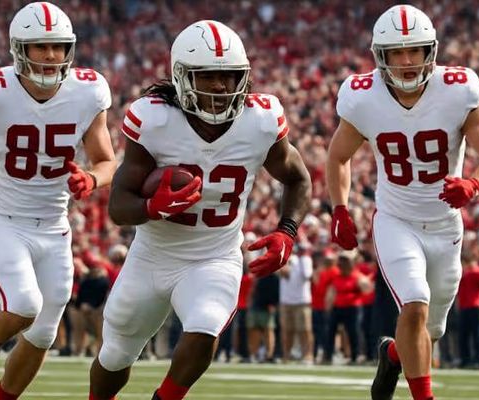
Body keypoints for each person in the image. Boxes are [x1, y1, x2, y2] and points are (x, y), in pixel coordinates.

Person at [88, 20, 312, 400]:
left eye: (230, 76)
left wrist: (287, 230)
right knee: (115, 353)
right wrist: (150, 206)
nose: (222, 87)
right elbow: (119, 206)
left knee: (207, 324)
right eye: (208, 76)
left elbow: (298, 178)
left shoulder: (260, 121)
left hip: (215, 255)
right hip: (152, 255)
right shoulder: (155, 120)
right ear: (182, 77)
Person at [0, 2, 116, 399]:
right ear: (20, 49)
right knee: (23, 304)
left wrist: (91, 178)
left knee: (44, 333)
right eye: (40, 47)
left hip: (55, 226)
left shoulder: (87, 92)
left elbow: (106, 161)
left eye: (57, 46)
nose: (51, 55)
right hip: (3, 218)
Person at [326, 5, 479, 400]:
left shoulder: (458, 89)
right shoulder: (362, 96)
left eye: (416, 51)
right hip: (396, 219)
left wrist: (473, 184)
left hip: (445, 225)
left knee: (431, 329)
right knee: (414, 303)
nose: (407, 61)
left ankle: (392, 354)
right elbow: (339, 156)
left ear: (431, 52)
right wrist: (339, 208)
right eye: (397, 52)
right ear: (381, 56)